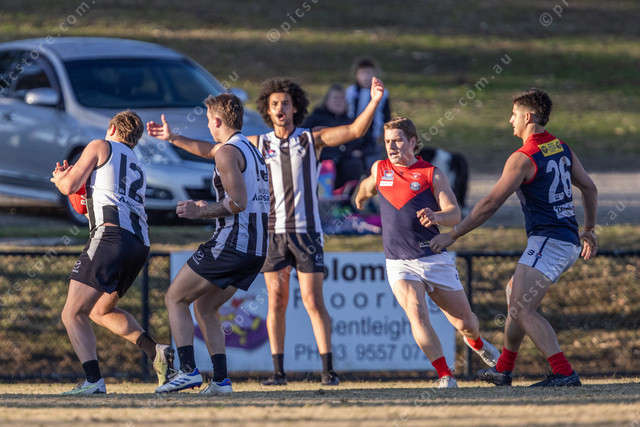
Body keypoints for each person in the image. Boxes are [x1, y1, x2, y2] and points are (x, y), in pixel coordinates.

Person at [149, 77, 385, 386]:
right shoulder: (256, 144)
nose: (280, 108)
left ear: (295, 107)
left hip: (300, 230)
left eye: (285, 103)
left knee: (312, 301)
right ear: (267, 109)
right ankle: (268, 374)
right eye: (274, 104)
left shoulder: (308, 138)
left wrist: (374, 101)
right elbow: (212, 150)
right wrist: (174, 137)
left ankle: (327, 370)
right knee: (269, 300)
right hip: (269, 233)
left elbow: (354, 131)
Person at [429, 89, 598, 387]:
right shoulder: (560, 147)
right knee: (514, 296)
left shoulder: (523, 157)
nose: (510, 120)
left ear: (528, 117)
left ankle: (563, 373)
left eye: (514, 114)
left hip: (549, 240)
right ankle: (503, 369)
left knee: (521, 307)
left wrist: (452, 235)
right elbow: (590, 188)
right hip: (564, 239)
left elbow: (490, 204)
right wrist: (589, 229)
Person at [354, 117, 500, 388]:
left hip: (432, 257)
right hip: (399, 262)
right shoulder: (380, 168)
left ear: (413, 142)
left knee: (466, 324)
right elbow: (367, 186)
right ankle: (445, 375)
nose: (391, 146)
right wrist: (360, 197)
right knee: (416, 312)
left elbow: (454, 214)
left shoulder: (432, 173)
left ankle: (477, 342)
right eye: (387, 141)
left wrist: (436, 216)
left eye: (397, 140)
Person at [147, 94, 270, 394]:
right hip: (255, 249)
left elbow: (238, 203)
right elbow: (210, 152)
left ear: (217, 120)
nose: (207, 127)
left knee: (175, 298)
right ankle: (221, 380)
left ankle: (188, 371)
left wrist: (198, 211)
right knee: (205, 307)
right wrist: (174, 138)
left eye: (208, 122)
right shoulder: (249, 149)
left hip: (233, 243)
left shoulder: (227, 153)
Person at [51, 110, 174, 395]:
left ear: (112, 129)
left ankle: (93, 381)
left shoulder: (100, 145)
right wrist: (80, 192)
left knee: (72, 314)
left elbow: (68, 186)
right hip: (139, 244)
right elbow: (93, 204)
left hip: (110, 238)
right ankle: (154, 350)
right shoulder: (136, 164)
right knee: (99, 310)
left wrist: (59, 178)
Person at [302, 84, 364, 190]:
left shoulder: (351, 122)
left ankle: (346, 197)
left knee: (354, 165)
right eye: (335, 98)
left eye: (342, 98)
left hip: (345, 160)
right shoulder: (315, 119)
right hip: (321, 158)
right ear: (326, 101)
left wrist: (359, 151)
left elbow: (363, 141)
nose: (338, 101)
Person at [345, 56, 391, 170]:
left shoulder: (383, 93)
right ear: (356, 74)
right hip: (353, 135)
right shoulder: (350, 91)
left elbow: (386, 114)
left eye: (369, 73)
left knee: (373, 165)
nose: (366, 76)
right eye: (362, 73)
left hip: (374, 135)